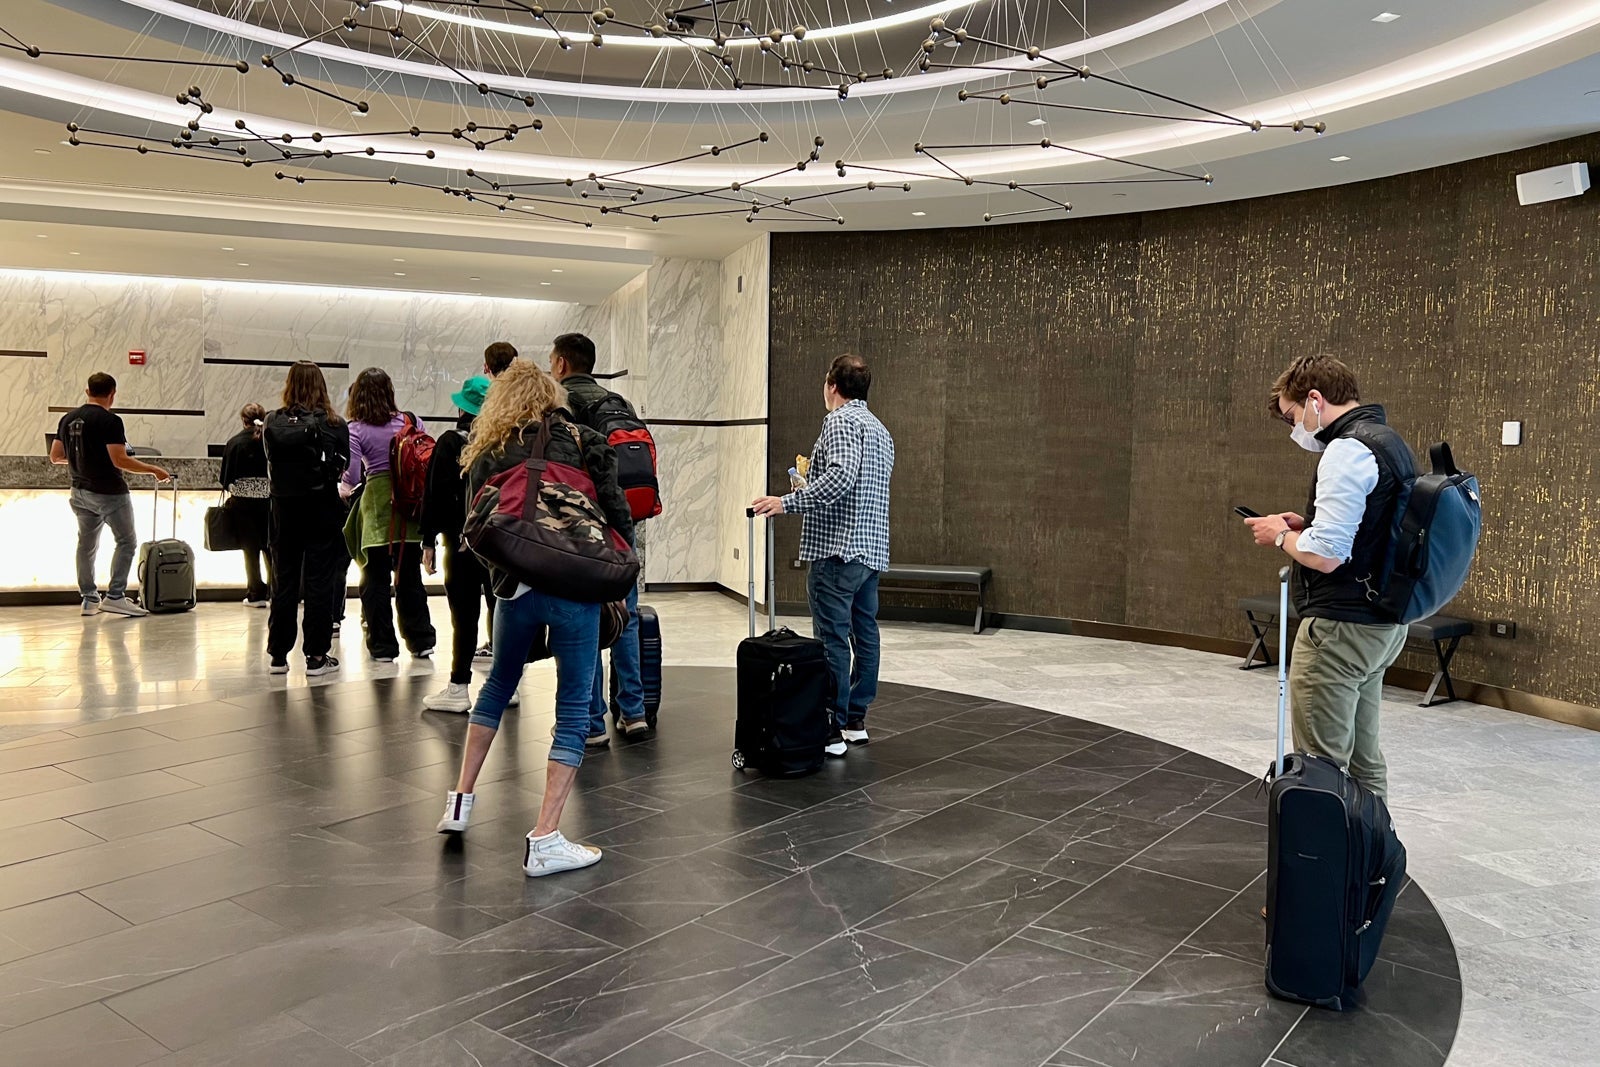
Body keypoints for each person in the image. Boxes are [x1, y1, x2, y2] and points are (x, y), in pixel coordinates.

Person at [435, 360, 635, 878]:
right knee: (572, 707)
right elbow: (618, 517)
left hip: (516, 588)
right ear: (553, 397)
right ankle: (545, 837)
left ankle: (459, 802)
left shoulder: (490, 447)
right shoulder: (587, 441)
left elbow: (475, 525)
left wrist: (509, 572)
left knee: (498, 685)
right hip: (575, 590)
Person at [1246, 353, 1415, 799]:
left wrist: (1280, 536)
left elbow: (1325, 557)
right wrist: (1307, 526)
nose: (1296, 429)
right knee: (1363, 759)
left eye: (1292, 417)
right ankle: (1373, 840)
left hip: (1340, 629)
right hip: (1381, 622)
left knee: (1321, 767)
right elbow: (1373, 530)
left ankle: (1330, 847)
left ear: (1315, 400)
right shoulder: (1388, 441)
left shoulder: (1346, 449)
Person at [752, 354, 894, 758]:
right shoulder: (880, 430)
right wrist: (809, 483)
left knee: (832, 638)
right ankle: (855, 721)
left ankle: (831, 724)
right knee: (865, 634)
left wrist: (788, 501)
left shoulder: (840, 421)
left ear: (832, 385)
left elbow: (842, 477)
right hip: (870, 550)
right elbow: (856, 482)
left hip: (837, 550)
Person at [550, 331, 650, 743]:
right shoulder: (619, 403)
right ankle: (634, 711)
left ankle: (591, 722)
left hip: (585, 526)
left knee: (585, 618)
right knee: (626, 616)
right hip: (624, 522)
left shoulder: (561, 404)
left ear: (561, 363)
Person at [419, 375, 514, 712]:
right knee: (499, 609)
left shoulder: (449, 442)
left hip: (460, 543)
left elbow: (434, 495)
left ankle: (458, 688)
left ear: (462, 408)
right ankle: (506, 685)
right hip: (498, 543)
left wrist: (428, 541)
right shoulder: (503, 442)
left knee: (464, 614)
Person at [49, 372, 170, 617]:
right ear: (112, 394)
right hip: (109, 493)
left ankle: (89, 599)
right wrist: (154, 470)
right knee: (126, 541)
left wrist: (83, 459)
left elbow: (56, 456)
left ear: (87, 391)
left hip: (79, 491)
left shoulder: (67, 419)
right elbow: (120, 460)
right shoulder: (110, 421)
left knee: (86, 545)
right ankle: (115, 596)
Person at [341, 368, 437, 664]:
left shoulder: (355, 429)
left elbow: (352, 476)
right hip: (410, 505)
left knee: (374, 579)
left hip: (377, 507)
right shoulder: (411, 420)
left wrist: (343, 488)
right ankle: (421, 640)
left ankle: (382, 646)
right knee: (409, 577)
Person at [263, 362, 350, 676]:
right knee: (319, 582)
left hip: (283, 510)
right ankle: (315, 656)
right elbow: (343, 465)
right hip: (321, 508)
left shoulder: (272, 420)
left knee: (283, 581)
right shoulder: (334, 423)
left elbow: (270, 462)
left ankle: (278, 655)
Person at [220, 403, 272, 607]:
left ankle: (255, 593)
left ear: (243, 420)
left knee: (250, 550)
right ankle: (276, 592)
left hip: (242, 505)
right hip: (269, 502)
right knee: (270, 548)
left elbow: (226, 479)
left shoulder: (234, 443)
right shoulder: (270, 442)